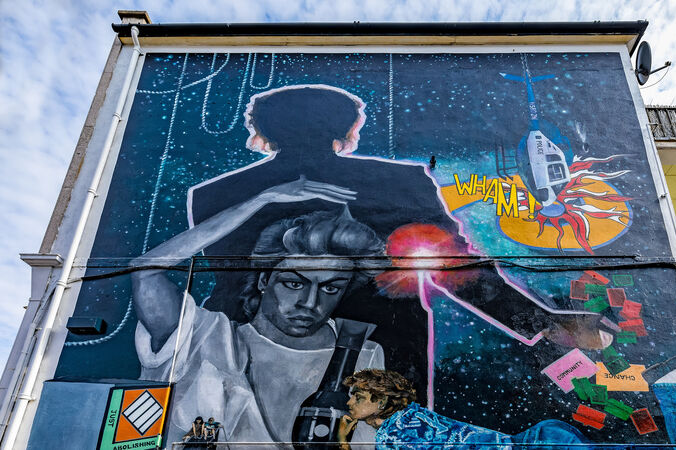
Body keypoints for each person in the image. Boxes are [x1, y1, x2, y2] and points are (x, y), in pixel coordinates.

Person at [188, 84, 613, 406]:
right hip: (382, 353)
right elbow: (455, 267)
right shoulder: (397, 181)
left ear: (262, 130)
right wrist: (541, 320)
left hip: (244, 357)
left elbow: (229, 287)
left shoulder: (213, 195)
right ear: (345, 129)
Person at [131, 179, 386, 446]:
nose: (311, 303)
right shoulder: (204, 337)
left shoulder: (360, 355)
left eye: (331, 288)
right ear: (264, 280)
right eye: (294, 284)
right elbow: (146, 271)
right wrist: (260, 200)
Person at [337, 369, 591, 450]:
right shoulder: (412, 414)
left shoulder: (392, 436)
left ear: (382, 401)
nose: (349, 403)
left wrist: (342, 442)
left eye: (358, 397)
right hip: (544, 438)